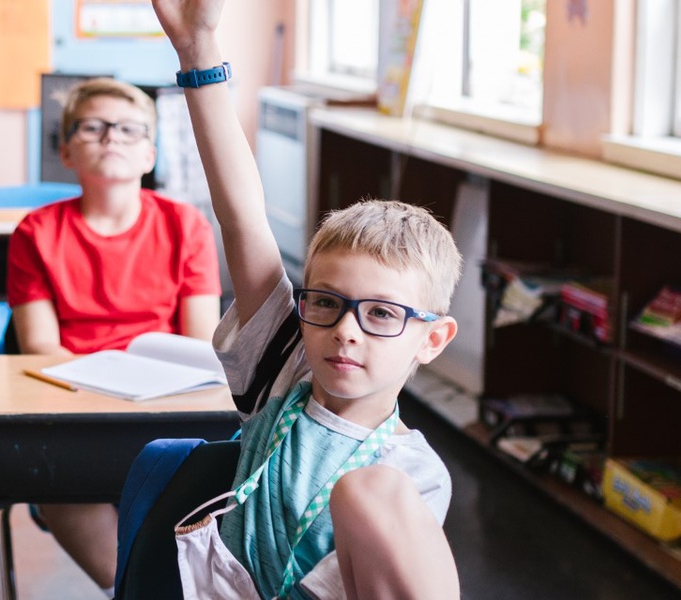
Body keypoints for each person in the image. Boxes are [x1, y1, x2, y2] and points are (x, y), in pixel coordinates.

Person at [152, 0, 463, 598]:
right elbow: (242, 218)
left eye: (381, 314)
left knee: (370, 491)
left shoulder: (414, 477)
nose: (347, 331)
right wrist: (197, 48)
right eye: (326, 303)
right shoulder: (283, 375)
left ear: (432, 338)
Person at [6, 77, 222, 596]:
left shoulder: (186, 225)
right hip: (76, 404)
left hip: (169, 407)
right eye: (93, 127)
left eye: (129, 129)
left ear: (149, 153)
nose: (112, 138)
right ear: (65, 151)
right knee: (57, 482)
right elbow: (40, 345)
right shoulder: (35, 232)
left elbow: (201, 342)